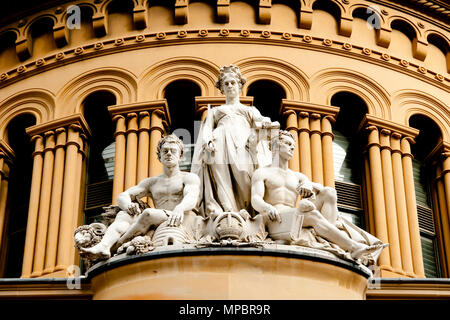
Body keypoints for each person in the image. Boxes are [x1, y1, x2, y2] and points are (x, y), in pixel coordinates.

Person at [251, 130, 387, 262]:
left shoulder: (298, 176)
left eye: (293, 145)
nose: (292, 147)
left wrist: (309, 185)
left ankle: (330, 237)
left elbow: (320, 189)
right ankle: (353, 246)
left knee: (329, 192)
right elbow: (255, 199)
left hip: (294, 216)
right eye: (287, 143)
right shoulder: (263, 172)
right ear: (275, 146)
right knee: (309, 213)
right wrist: (267, 207)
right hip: (275, 219)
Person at [81, 134, 200, 259]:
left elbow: (191, 196)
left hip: (182, 219)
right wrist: (128, 205)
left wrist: (180, 208)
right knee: (125, 214)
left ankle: (115, 247)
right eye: (165, 151)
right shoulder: (152, 182)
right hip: (161, 218)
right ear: (159, 157)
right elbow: (123, 195)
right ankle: (104, 245)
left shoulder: (188, 177)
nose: (169, 153)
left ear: (180, 156)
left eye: (173, 151)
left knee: (148, 213)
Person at [191, 65, 278, 217]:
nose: (230, 85)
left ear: (240, 86)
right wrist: (207, 141)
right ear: (222, 89)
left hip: (243, 143)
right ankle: (227, 212)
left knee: (244, 173)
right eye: (226, 84)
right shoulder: (215, 111)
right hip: (219, 143)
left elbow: (261, 120)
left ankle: (249, 211)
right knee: (221, 177)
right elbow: (207, 129)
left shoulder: (249, 110)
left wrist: (266, 121)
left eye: (233, 82)